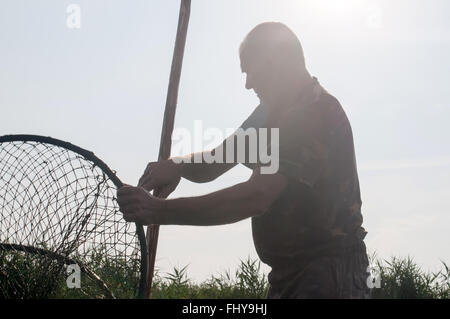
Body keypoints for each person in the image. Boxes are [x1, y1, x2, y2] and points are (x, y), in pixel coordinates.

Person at [117, 22, 371, 299]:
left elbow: (256, 196)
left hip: (329, 275)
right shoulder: (270, 114)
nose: (248, 83)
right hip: (290, 275)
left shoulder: (311, 113)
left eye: (249, 70)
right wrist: (176, 166)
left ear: (272, 61)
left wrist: (158, 212)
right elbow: (215, 162)